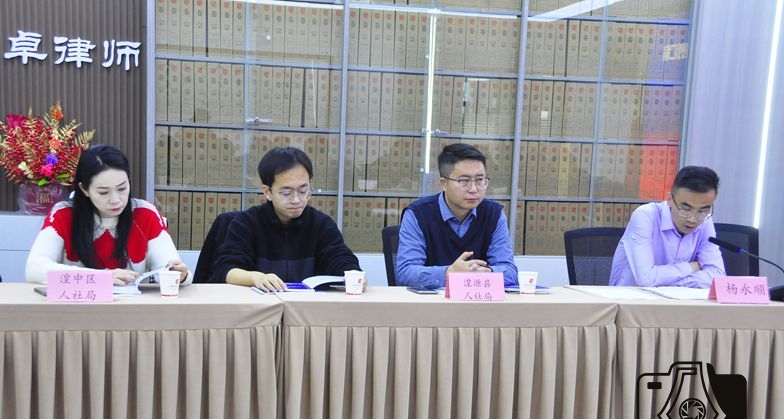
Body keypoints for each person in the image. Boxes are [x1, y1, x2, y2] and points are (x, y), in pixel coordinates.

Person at [26, 144, 190, 285]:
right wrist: (101, 278)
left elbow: (170, 267)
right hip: (77, 308)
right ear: (84, 189)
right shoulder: (63, 215)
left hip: (131, 309)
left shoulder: (145, 214)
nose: (115, 200)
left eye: (122, 188)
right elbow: (34, 269)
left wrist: (179, 275)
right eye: (103, 192)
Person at [210, 146, 362, 291]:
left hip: (307, 306)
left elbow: (341, 259)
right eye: (286, 193)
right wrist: (256, 278)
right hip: (259, 305)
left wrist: (353, 274)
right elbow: (226, 270)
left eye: (303, 191)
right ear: (267, 192)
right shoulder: (246, 222)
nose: (296, 200)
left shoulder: (321, 224)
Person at [396, 143, 518, 288]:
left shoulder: (494, 214)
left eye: (480, 180)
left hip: (478, 300)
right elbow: (405, 273)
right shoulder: (417, 214)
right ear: (444, 183)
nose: (474, 189)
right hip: (432, 301)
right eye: (464, 181)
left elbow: (510, 271)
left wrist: (486, 273)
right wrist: (448, 274)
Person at [609, 165, 725, 288]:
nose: (693, 219)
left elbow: (717, 276)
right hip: (631, 298)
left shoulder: (705, 221)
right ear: (670, 199)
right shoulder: (646, 216)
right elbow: (646, 279)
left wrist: (669, 283)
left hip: (679, 299)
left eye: (702, 211)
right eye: (686, 209)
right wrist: (692, 267)